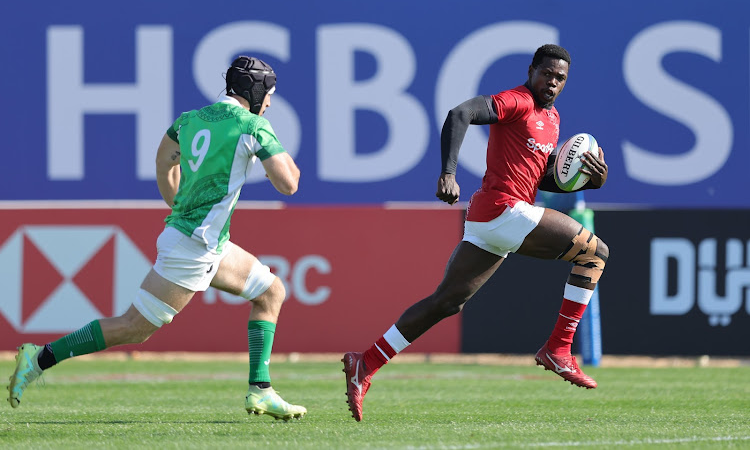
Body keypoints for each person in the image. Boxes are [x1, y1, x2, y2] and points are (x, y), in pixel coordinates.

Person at [7, 56, 307, 421]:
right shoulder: (253, 126)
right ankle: (38, 358)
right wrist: (270, 141)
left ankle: (261, 390)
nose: (271, 102)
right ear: (256, 91)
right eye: (270, 94)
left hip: (204, 242)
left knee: (271, 291)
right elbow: (288, 184)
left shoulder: (189, 120)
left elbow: (164, 162)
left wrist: (178, 204)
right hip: (192, 249)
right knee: (132, 328)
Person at [342, 44, 609, 421]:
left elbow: (544, 175)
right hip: (504, 209)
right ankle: (559, 349)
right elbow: (461, 113)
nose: (552, 82)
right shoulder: (516, 100)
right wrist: (447, 174)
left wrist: (590, 181)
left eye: (559, 78)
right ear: (531, 70)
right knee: (595, 253)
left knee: (447, 302)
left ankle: (364, 362)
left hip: (492, 220)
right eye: (546, 73)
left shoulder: (552, 120)